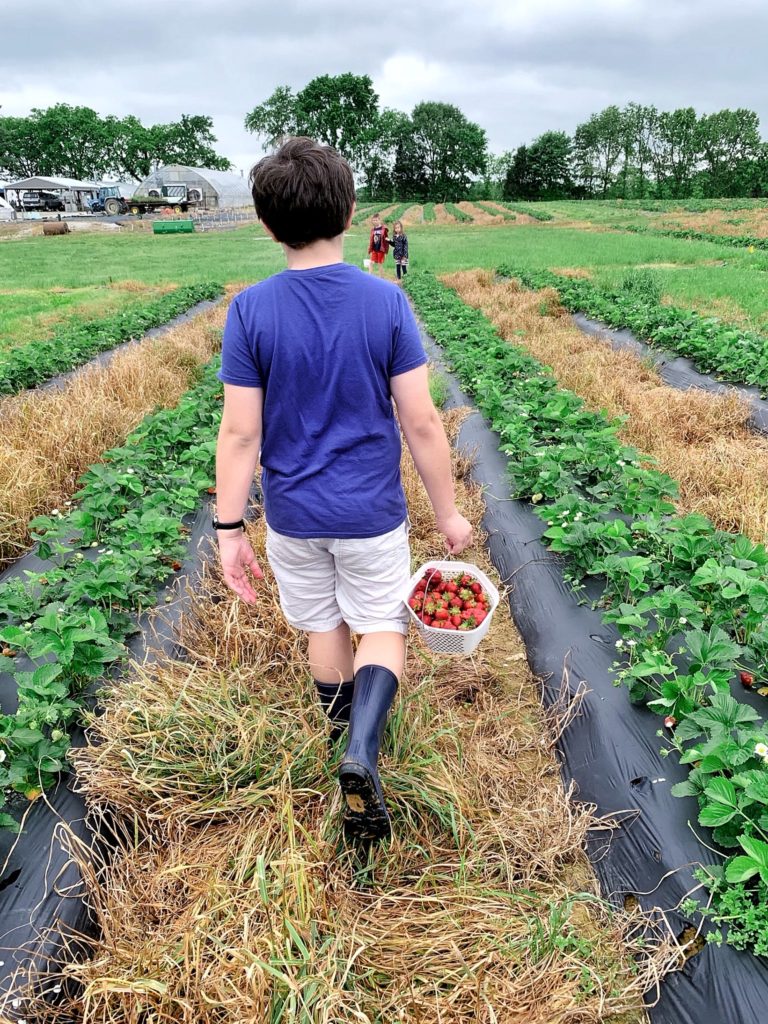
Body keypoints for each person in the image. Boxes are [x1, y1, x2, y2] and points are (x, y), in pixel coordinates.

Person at [215, 137, 473, 843]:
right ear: (353, 212)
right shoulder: (385, 302)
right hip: (370, 514)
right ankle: (364, 749)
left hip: (294, 517)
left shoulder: (250, 310)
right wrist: (447, 514)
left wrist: (229, 531)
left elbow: (240, 435)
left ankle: (341, 747)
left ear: (266, 224)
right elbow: (419, 419)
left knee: (323, 628)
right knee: (382, 626)